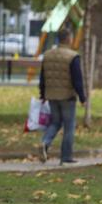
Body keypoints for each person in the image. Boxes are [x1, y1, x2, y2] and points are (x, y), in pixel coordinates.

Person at [39, 28, 87, 164]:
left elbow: (42, 77)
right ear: (68, 39)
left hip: (51, 95)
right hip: (67, 96)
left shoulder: (48, 55)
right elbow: (77, 80)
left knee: (55, 122)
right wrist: (82, 98)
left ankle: (44, 142)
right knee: (69, 126)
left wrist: (42, 94)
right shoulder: (72, 56)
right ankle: (66, 156)